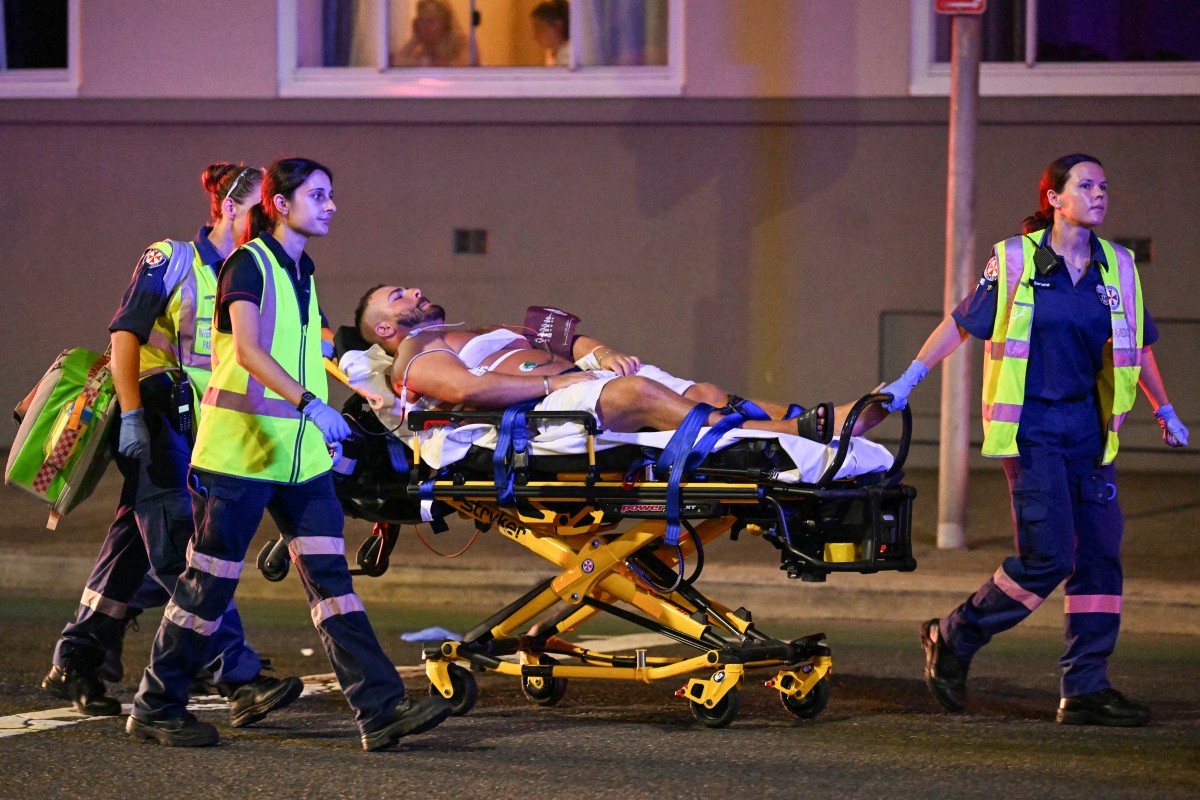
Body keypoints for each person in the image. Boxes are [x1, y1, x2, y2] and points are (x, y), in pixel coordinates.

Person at [128, 158, 453, 750]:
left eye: (332, 195)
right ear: (280, 203)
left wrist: (376, 395)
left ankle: (379, 712)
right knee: (208, 588)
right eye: (319, 195)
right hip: (239, 458)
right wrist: (310, 404)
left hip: (300, 463)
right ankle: (155, 704)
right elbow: (249, 351)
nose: (331, 206)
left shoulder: (302, 270)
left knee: (333, 585)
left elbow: (318, 348)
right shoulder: (247, 265)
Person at [880, 153, 1190, 726]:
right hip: (1033, 431)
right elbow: (962, 322)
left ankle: (1087, 688)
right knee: (1048, 558)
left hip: (1092, 435)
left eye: (1104, 185)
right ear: (1054, 198)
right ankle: (954, 636)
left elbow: (1137, 346)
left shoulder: (1118, 267)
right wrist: (908, 380)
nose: (1100, 194)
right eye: (1086, 185)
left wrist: (1163, 407)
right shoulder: (1016, 259)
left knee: (1099, 558)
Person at [43, 164, 302, 726]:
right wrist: (133, 415)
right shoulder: (172, 258)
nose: (270, 219)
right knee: (182, 550)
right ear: (230, 208)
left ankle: (78, 657)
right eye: (260, 208)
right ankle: (236, 672)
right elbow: (125, 334)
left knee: (132, 548)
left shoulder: (251, 270)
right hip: (157, 421)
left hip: (208, 431)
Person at [353, 285, 885, 441]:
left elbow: (567, 339)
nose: (416, 291)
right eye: (400, 296)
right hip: (549, 412)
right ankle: (802, 431)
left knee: (704, 393)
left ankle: (811, 415)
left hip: (584, 384)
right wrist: (560, 383)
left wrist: (598, 354)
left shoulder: (471, 328)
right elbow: (471, 391)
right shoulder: (415, 356)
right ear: (384, 328)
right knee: (642, 397)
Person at [392, 0, 472, 67]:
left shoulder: (463, 45)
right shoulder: (421, 52)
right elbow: (397, 63)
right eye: (422, 20)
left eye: (431, 21)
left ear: (446, 23)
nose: (425, 26)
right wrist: (414, 39)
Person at [531, 0, 569, 66]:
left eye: (540, 28)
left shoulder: (567, 59)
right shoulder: (561, 56)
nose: (535, 36)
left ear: (558, 26)